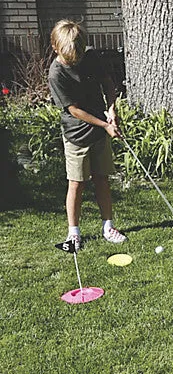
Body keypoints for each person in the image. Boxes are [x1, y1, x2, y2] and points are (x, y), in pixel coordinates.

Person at [48, 19, 126, 247]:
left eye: (79, 55)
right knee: (77, 183)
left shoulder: (90, 56)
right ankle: (73, 233)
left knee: (101, 178)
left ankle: (108, 227)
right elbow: (74, 110)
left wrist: (112, 109)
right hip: (76, 134)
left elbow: (107, 83)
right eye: (70, 57)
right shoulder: (56, 74)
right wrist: (104, 125)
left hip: (100, 130)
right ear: (55, 47)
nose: (76, 60)